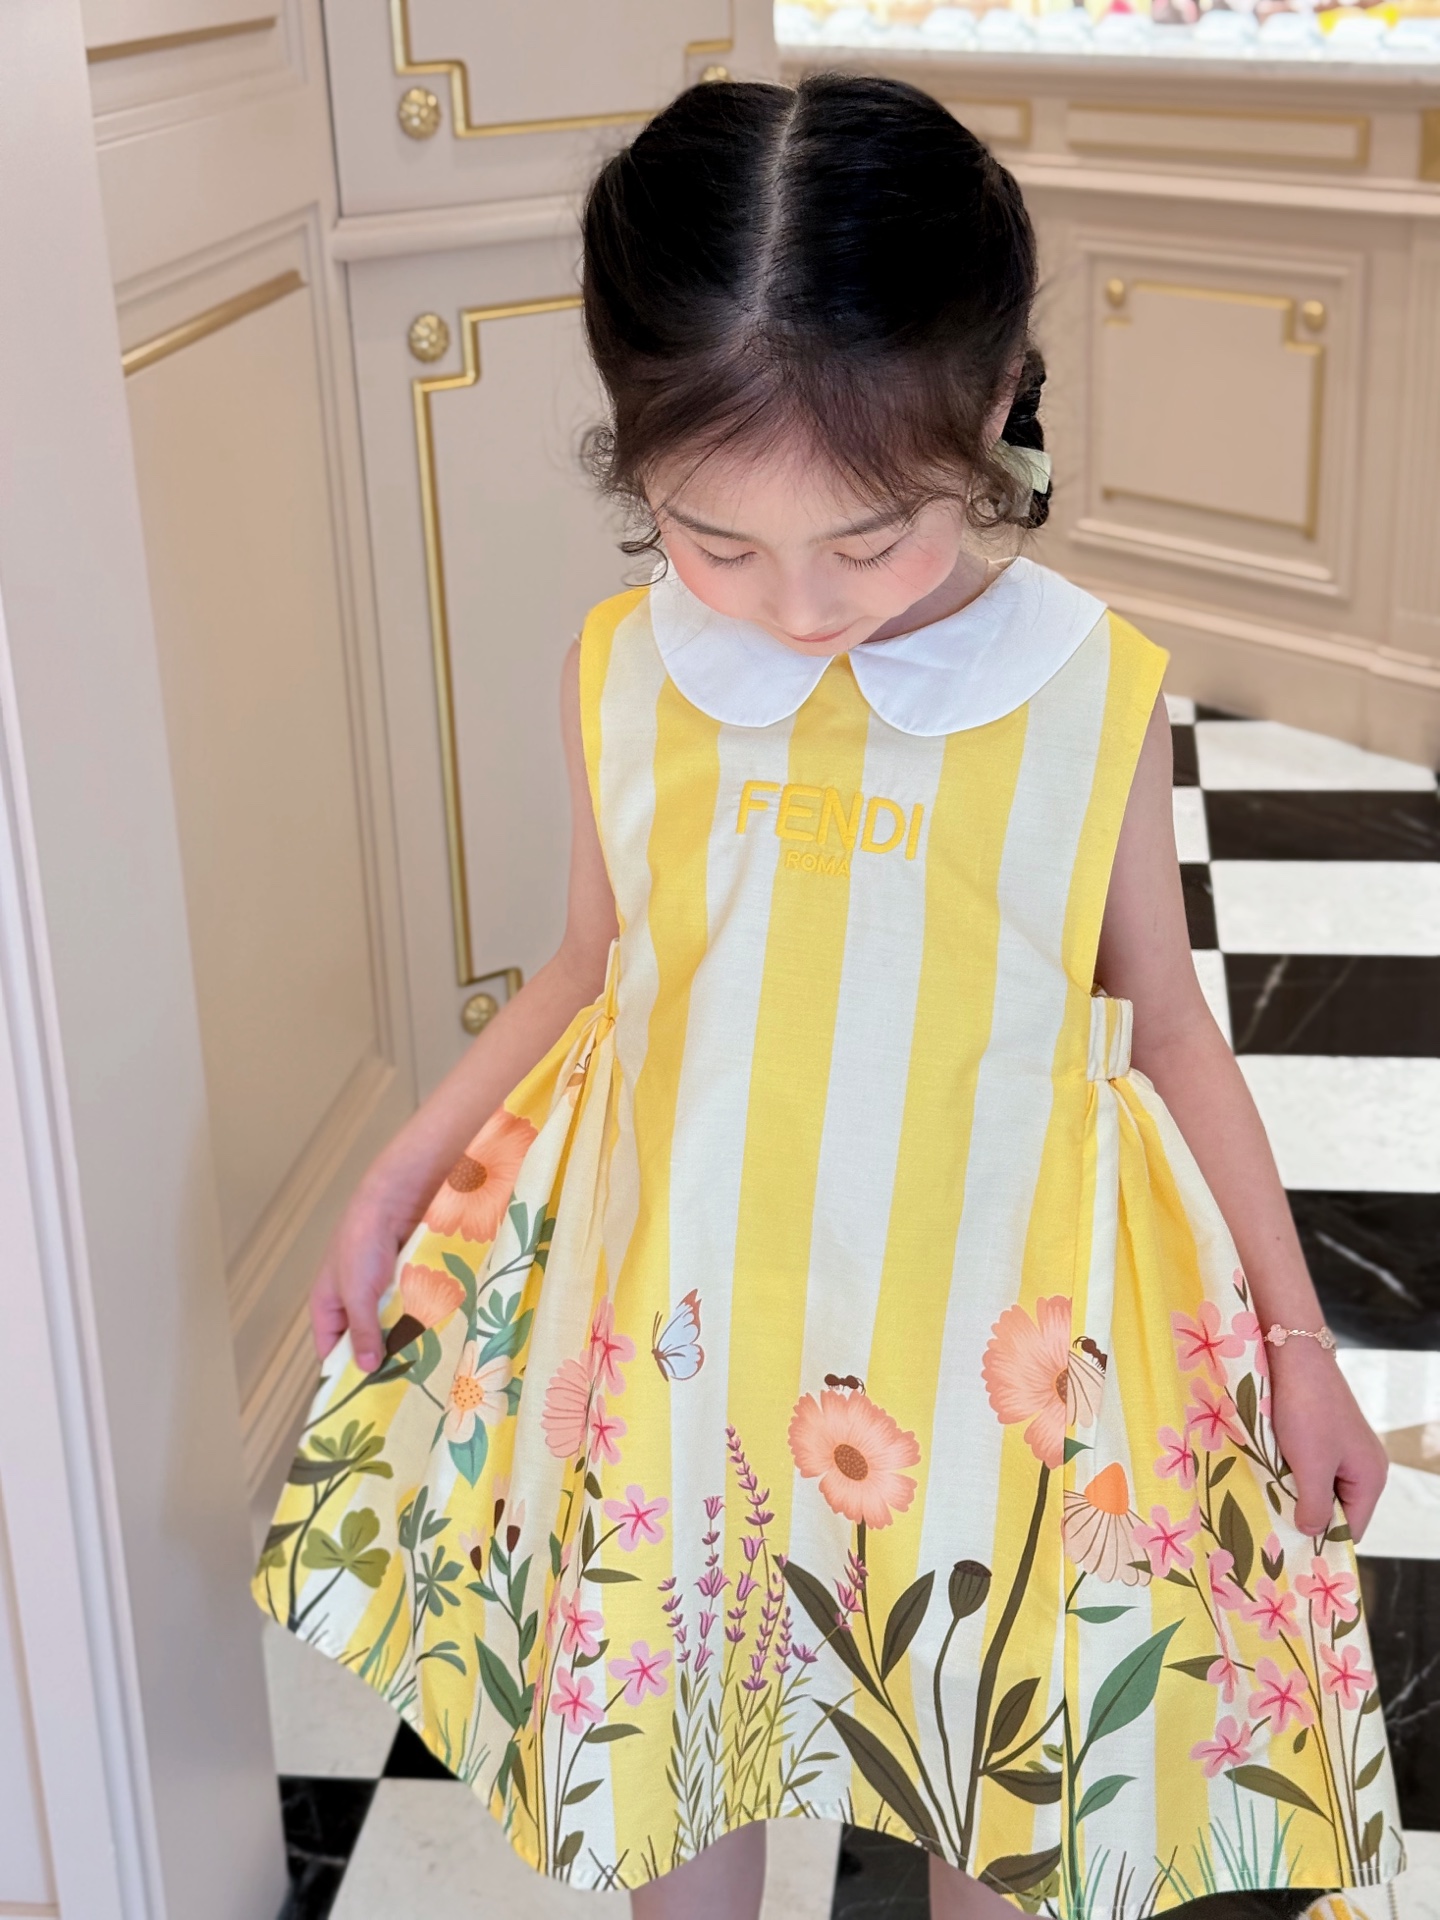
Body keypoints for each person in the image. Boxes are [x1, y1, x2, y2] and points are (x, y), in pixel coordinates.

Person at [254, 73, 1402, 1919]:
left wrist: (1299, 1343)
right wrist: (406, 1171)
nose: (794, 608)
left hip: (995, 1359)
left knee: (987, 1771)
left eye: (868, 540)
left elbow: (1173, 1026)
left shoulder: (1083, 688)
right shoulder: (627, 668)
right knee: (681, 1757)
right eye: (715, 540)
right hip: (690, 1332)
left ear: (999, 404)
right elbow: (591, 968)